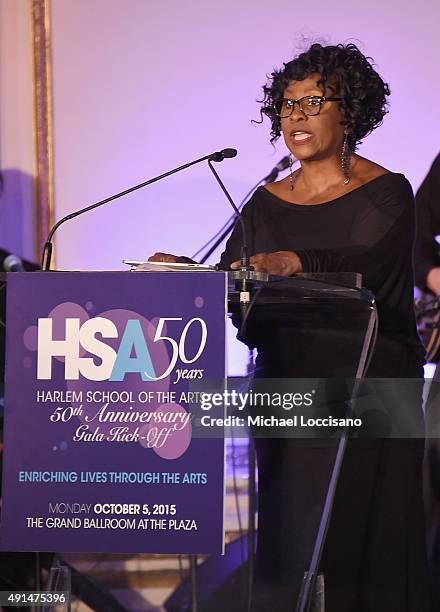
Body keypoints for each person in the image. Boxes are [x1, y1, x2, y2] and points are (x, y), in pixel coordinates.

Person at [150, 42, 431, 611]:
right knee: (292, 552)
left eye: (312, 103)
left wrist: (293, 261)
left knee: (359, 555)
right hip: (287, 399)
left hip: (370, 398)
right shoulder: (263, 201)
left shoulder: (387, 192)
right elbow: (239, 294)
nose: (294, 117)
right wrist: (197, 278)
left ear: (347, 112)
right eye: (286, 105)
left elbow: (371, 267)